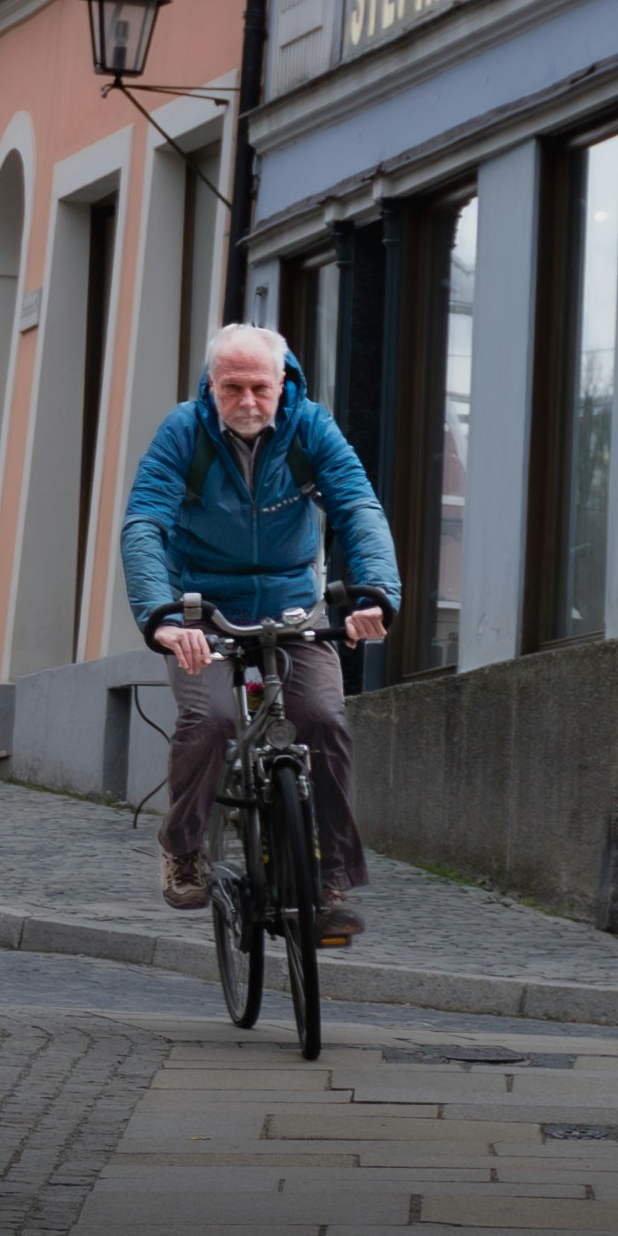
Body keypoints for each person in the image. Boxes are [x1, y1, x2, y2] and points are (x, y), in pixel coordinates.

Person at [118, 323, 396, 936]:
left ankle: (329, 876)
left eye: (260, 388)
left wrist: (374, 593)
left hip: (293, 605)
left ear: (283, 383)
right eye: (232, 388)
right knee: (211, 718)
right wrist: (162, 618)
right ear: (210, 386)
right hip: (202, 608)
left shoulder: (311, 428)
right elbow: (144, 524)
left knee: (323, 719)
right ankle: (183, 845)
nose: (247, 402)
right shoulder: (183, 432)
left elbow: (357, 507)